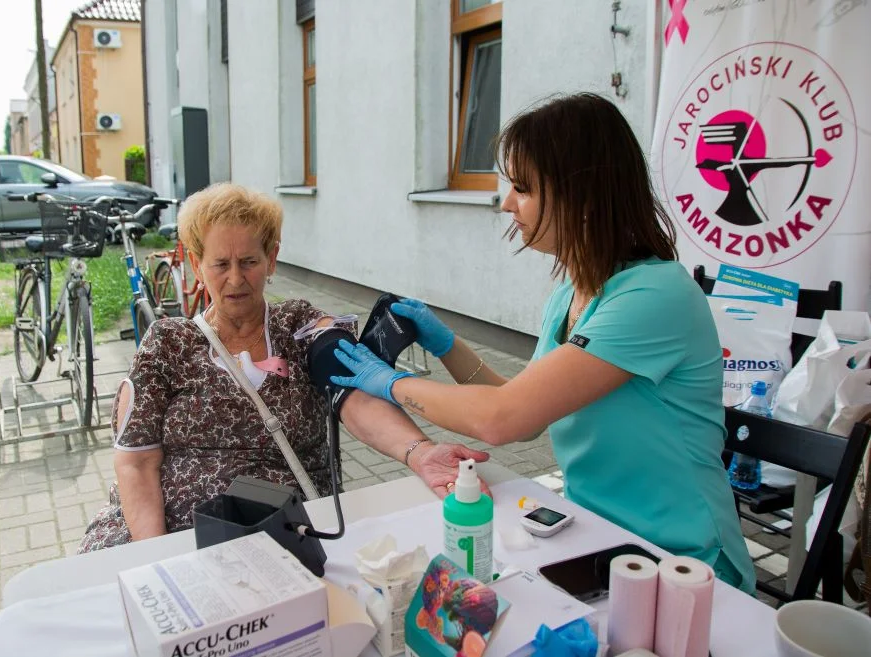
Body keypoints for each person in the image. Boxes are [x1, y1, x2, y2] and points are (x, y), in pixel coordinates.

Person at [329, 93, 756, 593]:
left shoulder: (655, 295)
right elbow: (528, 410)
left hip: (684, 562)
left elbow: (503, 417)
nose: (508, 203)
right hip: (597, 542)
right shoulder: (570, 296)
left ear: (585, 194)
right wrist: (447, 346)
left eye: (524, 188)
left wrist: (391, 384)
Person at [79, 183, 487, 552]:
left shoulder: (300, 326)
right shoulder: (169, 342)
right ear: (198, 263)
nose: (236, 279)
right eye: (221, 264)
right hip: (173, 536)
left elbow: (354, 395)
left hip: (281, 535)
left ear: (272, 258)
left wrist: (420, 453)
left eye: (250, 261)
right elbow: (135, 462)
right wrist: (159, 557)